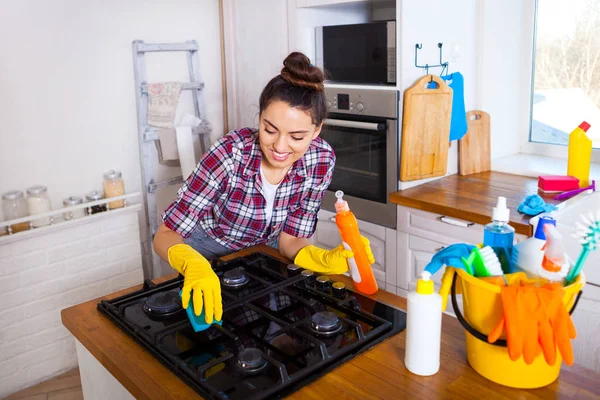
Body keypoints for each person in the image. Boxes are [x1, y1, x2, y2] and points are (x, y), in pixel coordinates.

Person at [153, 52, 374, 325]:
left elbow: (290, 240)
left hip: (266, 256)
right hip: (206, 252)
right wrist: (193, 264)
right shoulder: (230, 154)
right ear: (260, 118)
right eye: (270, 130)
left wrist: (323, 259)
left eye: (297, 136)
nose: (280, 147)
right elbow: (165, 235)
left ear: (316, 131)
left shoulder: (321, 160)